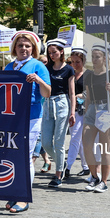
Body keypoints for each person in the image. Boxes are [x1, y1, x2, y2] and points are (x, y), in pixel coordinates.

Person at [4, 31, 51, 213]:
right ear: (15, 48)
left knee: (25, 157)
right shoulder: (9, 67)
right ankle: (14, 192)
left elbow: (47, 93)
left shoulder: (38, 66)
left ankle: (23, 197)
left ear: (33, 48)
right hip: (11, 117)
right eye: (20, 45)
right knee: (12, 156)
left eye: (27, 45)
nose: (23, 48)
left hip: (31, 116)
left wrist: (39, 80)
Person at [83, 45, 110, 193]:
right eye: (92, 56)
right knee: (86, 144)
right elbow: (88, 97)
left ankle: (104, 181)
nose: (94, 59)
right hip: (92, 109)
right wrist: (87, 113)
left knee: (104, 148)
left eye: (97, 56)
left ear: (104, 58)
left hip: (107, 109)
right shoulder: (89, 75)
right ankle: (94, 176)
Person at [41, 38, 75, 188]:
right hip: (47, 103)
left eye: (54, 52)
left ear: (61, 51)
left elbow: (72, 93)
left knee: (59, 142)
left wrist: (72, 112)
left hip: (62, 103)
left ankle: (58, 174)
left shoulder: (68, 69)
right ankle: (62, 162)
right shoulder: (46, 67)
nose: (52, 55)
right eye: (50, 53)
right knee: (46, 142)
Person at [65, 47, 90, 177]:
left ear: (84, 61)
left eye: (77, 62)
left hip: (85, 111)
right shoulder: (70, 74)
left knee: (76, 138)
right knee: (78, 139)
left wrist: (80, 95)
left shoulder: (89, 74)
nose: (74, 64)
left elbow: (91, 92)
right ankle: (85, 166)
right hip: (72, 109)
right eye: (72, 61)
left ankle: (67, 167)